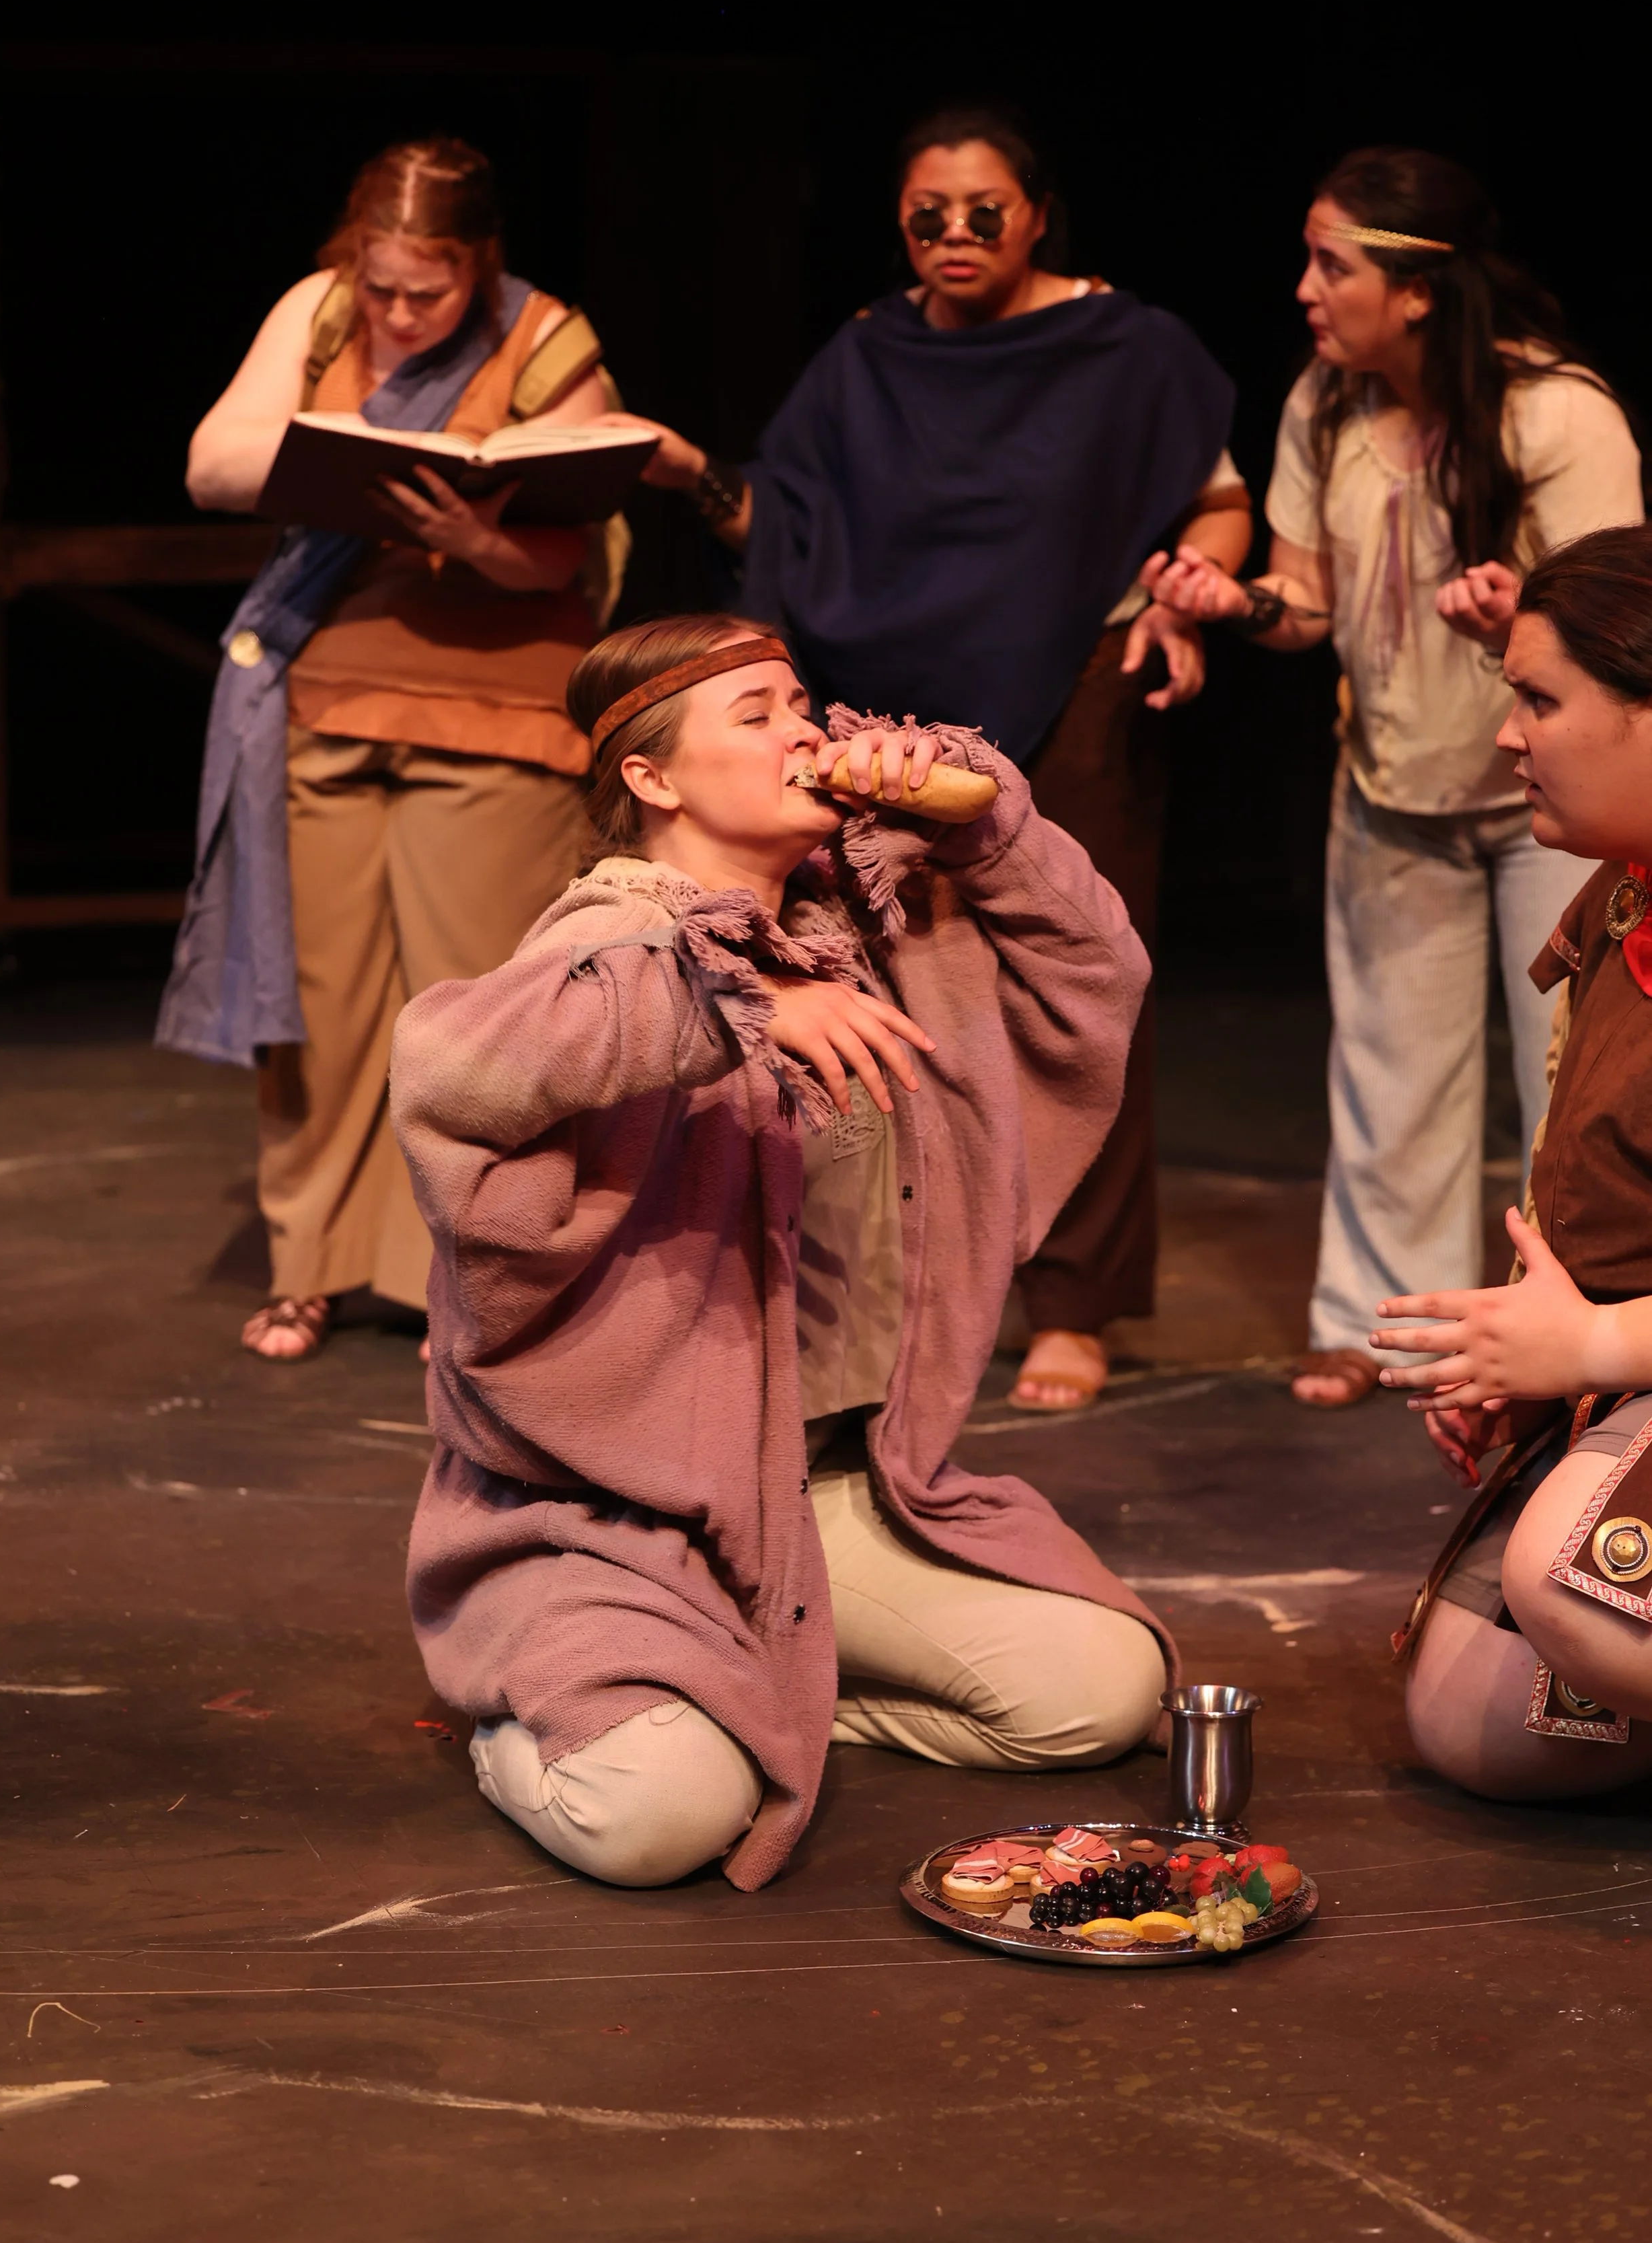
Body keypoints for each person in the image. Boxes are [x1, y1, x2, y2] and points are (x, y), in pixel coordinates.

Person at [389, 617, 1174, 1890]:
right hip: (610, 1526)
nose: (803, 730)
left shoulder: (871, 927)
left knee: (1098, 1692)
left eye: (802, 702)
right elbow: (451, 1065)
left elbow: (1098, 967)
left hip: (814, 1497)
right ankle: (544, 1724)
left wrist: (988, 826)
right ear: (653, 778)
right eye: (752, 714)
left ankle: (765, 1702)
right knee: (658, 1824)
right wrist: (733, 1000)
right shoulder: (601, 946)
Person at [603, 104, 1248, 1414]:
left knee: (1080, 990)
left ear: (1035, 213)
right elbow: (780, 512)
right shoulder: (868, 354)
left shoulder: (1126, 349)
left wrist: (1189, 593)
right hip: (885, 715)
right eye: (925, 216)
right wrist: (687, 477)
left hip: (1075, 686)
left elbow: (1219, 502)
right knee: (900, 991)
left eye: (982, 213)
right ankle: (910, 1281)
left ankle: (1074, 1303)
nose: (953, 236)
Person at [1144, 148, 1642, 1409]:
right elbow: (1304, 602)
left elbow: (1618, 629)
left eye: (1334, 263)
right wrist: (1235, 599)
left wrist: (1509, 624)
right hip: (1393, 780)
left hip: (1554, 806)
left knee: (1571, 1073)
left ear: (1417, 289)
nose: (1308, 289)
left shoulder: (1559, 413)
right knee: (1388, 1069)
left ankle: (1572, 1322)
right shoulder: (1326, 401)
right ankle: (1392, 1327)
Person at [157, 138, 622, 1361]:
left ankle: (458, 1279)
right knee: (317, 1002)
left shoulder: (545, 337)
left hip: (495, 710)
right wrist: (340, 448)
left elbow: (571, 546)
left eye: (432, 290)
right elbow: (213, 461)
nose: (403, 313)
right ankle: (310, 1262)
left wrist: (477, 544)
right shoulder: (319, 316)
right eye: (383, 288)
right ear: (349, 262)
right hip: (324, 701)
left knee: (465, 1005)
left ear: (480, 266)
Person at [1368, 527, 1652, 1794]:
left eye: (1542, 699)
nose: (1508, 734)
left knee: (1574, 1584)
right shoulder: (1624, 890)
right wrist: (1534, 1359)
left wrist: (1594, 1350)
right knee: (1482, 1715)